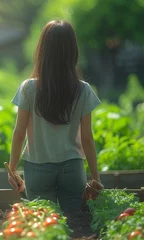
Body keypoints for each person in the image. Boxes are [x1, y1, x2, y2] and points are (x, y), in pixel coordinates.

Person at [7, 20, 102, 214]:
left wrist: (13, 169)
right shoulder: (83, 90)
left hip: (38, 169)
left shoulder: (28, 88)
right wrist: (95, 178)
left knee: (44, 224)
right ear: (73, 51)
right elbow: (87, 139)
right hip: (72, 170)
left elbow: (19, 133)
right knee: (73, 222)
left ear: (42, 50)